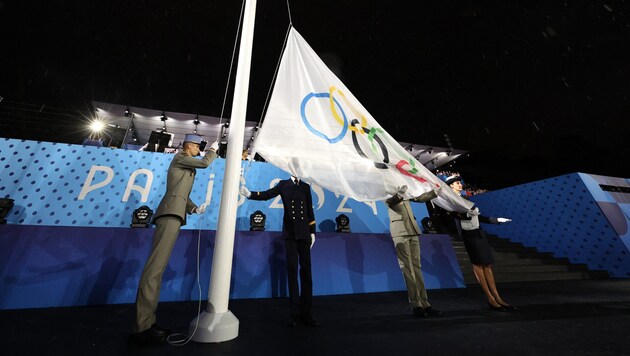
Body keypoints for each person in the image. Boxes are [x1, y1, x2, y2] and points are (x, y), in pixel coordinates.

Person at [128, 134, 219, 346]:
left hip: (174, 215)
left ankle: (148, 322)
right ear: (189, 146)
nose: (200, 150)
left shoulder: (185, 166)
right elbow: (206, 163)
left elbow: (181, 194)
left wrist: (194, 208)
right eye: (198, 146)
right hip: (168, 215)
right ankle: (141, 327)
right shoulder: (179, 157)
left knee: (157, 272)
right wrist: (213, 151)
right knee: (154, 271)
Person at [240, 176, 318, 327]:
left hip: (304, 234)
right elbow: (267, 194)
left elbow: (309, 210)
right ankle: (294, 314)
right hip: (290, 234)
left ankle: (307, 313)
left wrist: (312, 231)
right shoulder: (284, 184)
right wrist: (250, 194)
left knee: (307, 272)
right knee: (292, 272)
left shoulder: (305, 186)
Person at [444, 174, 515, 311]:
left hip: (478, 231)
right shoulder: (451, 199)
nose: (460, 184)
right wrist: (467, 214)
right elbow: (454, 215)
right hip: (468, 233)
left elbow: (478, 216)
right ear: (451, 185)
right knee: (478, 264)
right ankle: (490, 298)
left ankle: (497, 297)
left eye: (459, 182)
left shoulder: (464, 197)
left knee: (487, 264)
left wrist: (496, 220)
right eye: (457, 183)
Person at [385, 184, 442, 318]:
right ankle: (416, 304)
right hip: (399, 231)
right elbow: (390, 202)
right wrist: (399, 194)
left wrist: (434, 192)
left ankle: (425, 303)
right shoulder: (385, 188)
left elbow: (419, 198)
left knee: (417, 268)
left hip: (413, 229)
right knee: (407, 269)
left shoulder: (403, 187)